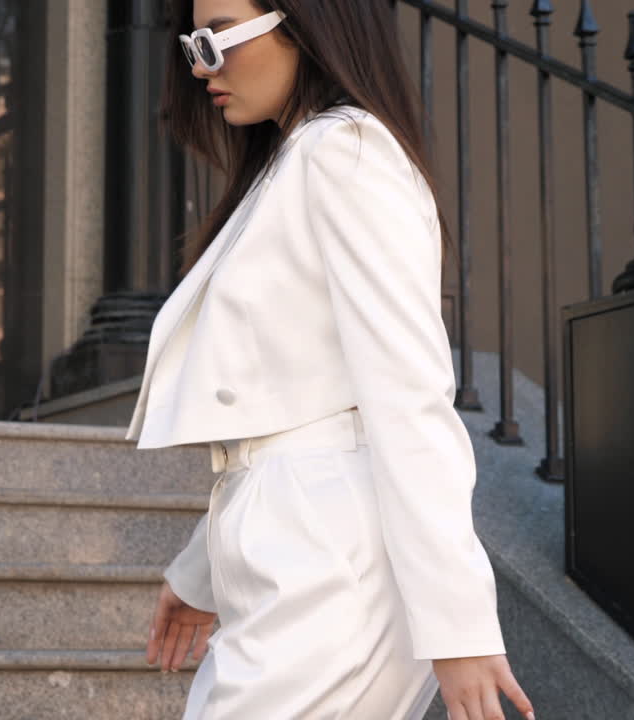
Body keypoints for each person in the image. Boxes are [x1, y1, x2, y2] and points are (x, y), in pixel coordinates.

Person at [130, 1, 537, 718]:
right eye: (193, 44)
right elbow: (289, 410)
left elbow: (405, 396)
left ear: (306, 23)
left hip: (330, 562)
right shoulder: (296, 163)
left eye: (219, 36)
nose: (200, 68)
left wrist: (460, 627)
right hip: (297, 546)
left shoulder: (345, 152)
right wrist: (200, 572)